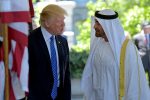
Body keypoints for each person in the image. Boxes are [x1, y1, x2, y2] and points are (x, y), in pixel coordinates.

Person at [81, 9, 150, 100]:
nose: (94, 26)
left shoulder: (127, 48)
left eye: (98, 23)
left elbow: (134, 82)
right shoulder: (97, 46)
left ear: (108, 25)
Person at [28, 4, 71, 100]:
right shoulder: (30, 40)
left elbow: (66, 74)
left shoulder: (63, 41)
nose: (63, 24)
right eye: (59, 21)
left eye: (63, 20)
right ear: (47, 22)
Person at [133, 22, 150, 86]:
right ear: (143, 28)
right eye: (147, 27)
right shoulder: (137, 37)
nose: (148, 29)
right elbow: (135, 49)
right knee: (141, 79)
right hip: (142, 61)